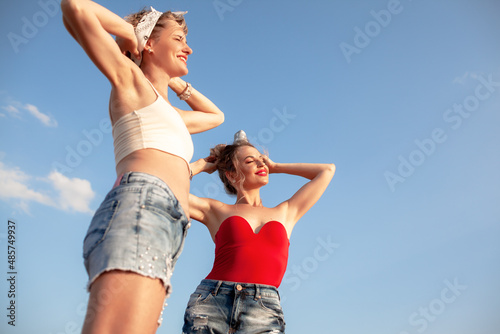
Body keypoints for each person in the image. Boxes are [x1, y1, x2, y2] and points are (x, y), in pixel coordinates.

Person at [61, 1, 224, 333]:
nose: (188, 48)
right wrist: (133, 35)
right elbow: (74, 7)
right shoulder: (131, 81)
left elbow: (216, 116)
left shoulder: (169, 111)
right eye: (179, 39)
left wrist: (174, 80)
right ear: (150, 43)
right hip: (142, 208)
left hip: (168, 224)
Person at [183, 130, 335, 333]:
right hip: (213, 300)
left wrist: (276, 167)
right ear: (231, 174)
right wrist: (200, 166)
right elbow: (165, 186)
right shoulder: (216, 210)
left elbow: (327, 171)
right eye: (250, 161)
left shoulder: (286, 211)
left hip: (263, 308)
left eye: (261, 160)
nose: (261, 164)